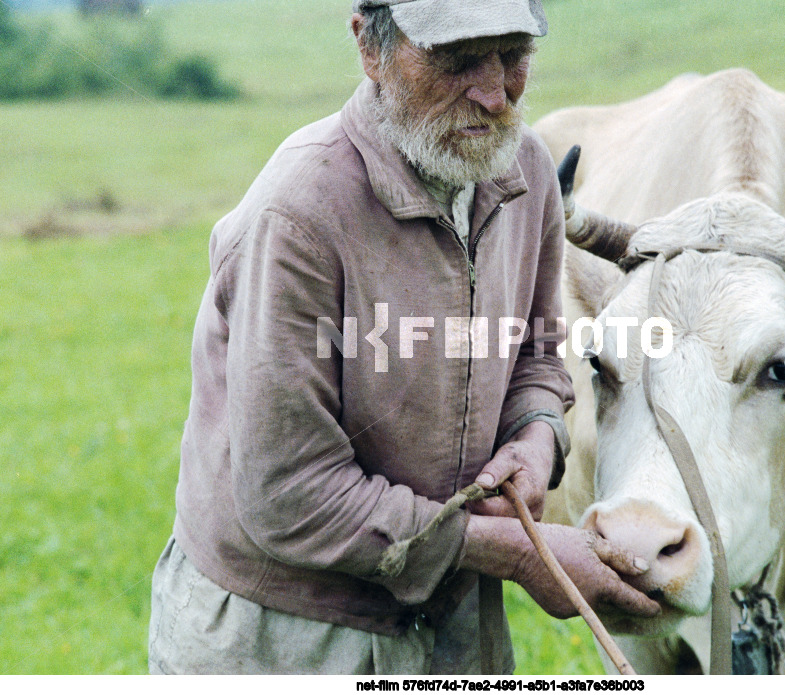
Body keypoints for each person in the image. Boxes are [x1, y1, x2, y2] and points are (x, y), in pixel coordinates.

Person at [148, 0, 660, 675]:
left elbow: (537, 351)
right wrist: (516, 553)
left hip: (454, 623)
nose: (493, 92)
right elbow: (288, 494)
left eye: (513, 56)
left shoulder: (525, 172)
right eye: (455, 60)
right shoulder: (298, 213)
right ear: (370, 47)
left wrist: (537, 440)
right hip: (285, 636)